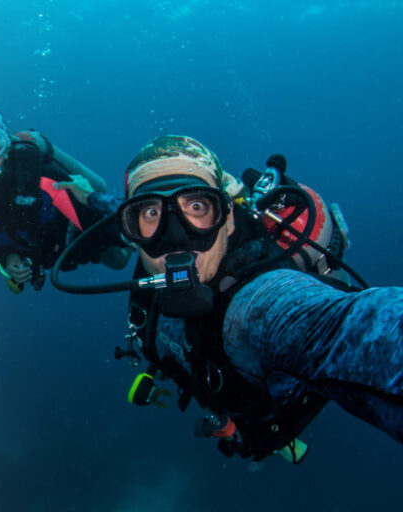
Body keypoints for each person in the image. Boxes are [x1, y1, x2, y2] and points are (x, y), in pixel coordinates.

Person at [55, 134, 403, 464]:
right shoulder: (139, 239)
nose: (176, 237)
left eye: (196, 206)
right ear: (131, 233)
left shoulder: (262, 306)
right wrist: (90, 197)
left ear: (229, 221)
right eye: (150, 212)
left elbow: (357, 331)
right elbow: (116, 209)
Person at [0, 100, 131, 292]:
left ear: (6, 149)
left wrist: (133, 228)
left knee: (118, 260)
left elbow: (100, 229)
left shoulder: (43, 180)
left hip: (69, 239)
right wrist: (7, 258)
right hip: (40, 250)